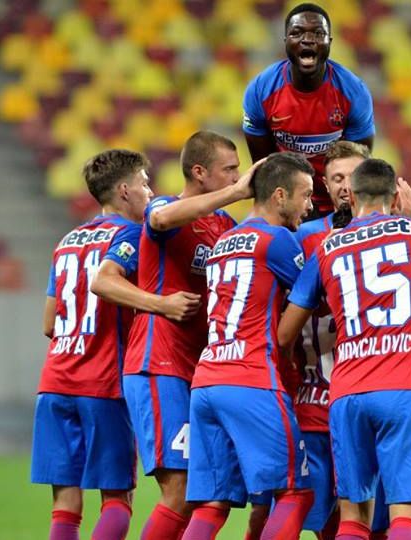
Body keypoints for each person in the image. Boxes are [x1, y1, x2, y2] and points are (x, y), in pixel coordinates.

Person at [279, 159, 411, 540]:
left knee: (353, 515)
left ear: (354, 196)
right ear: (395, 196)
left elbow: (284, 334)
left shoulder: (328, 246)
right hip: (404, 385)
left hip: (346, 390)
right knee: (407, 512)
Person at [32, 149, 200, 540]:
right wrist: (160, 306)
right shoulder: (131, 235)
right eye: (144, 183)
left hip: (54, 382)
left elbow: (48, 323)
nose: (150, 190)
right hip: (102, 381)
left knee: (65, 502)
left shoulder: (68, 240)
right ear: (124, 190)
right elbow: (111, 285)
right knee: (117, 499)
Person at [121, 132, 258, 540]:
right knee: (180, 491)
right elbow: (160, 221)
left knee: (208, 493)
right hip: (158, 363)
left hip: (199, 374)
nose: (238, 177)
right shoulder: (164, 206)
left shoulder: (223, 226)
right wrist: (235, 192)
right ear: (199, 172)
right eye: (229, 170)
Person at [183, 152, 316, 540]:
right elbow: (315, 296)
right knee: (295, 491)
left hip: (207, 379)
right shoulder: (276, 240)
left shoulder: (224, 240)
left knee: (212, 503)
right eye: (305, 195)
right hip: (251, 377)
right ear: (279, 196)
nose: (308, 206)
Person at [292, 140, 369, 539]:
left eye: (353, 177)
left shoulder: (392, 234)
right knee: (323, 520)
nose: (344, 186)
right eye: (336, 177)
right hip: (314, 397)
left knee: (372, 518)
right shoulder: (303, 236)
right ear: (324, 182)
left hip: (366, 393)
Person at [242, 2, 375, 216]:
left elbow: (357, 165)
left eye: (318, 33)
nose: (307, 39)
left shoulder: (354, 92)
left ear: (329, 41)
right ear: (286, 41)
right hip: (287, 202)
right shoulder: (260, 91)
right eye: (297, 33)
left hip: (337, 204)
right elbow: (265, 168)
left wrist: (345, 214)